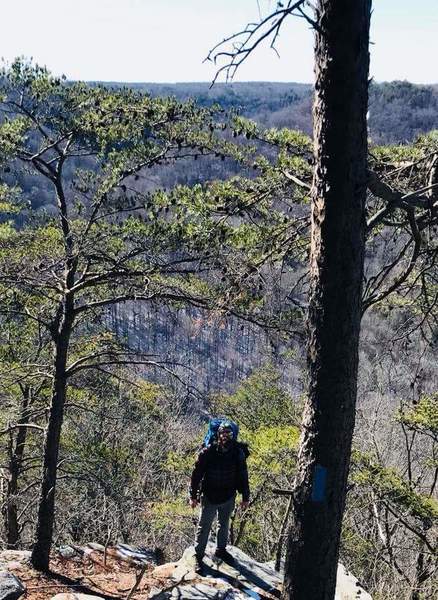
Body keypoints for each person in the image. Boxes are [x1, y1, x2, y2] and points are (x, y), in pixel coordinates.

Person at [189, 421, 250, 574]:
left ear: (233, 435)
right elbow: (196, 475)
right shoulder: (208, 452)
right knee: (204, 526)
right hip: (209, 496)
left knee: (224, 525)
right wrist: (193, 496)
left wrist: (245, 497)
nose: (225, 437)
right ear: (217, 434)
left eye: (228, 434)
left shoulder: (238, 452)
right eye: (222, 433)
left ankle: (220, 550)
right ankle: (198, 556)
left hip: (228, 496)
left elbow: (243, 475)